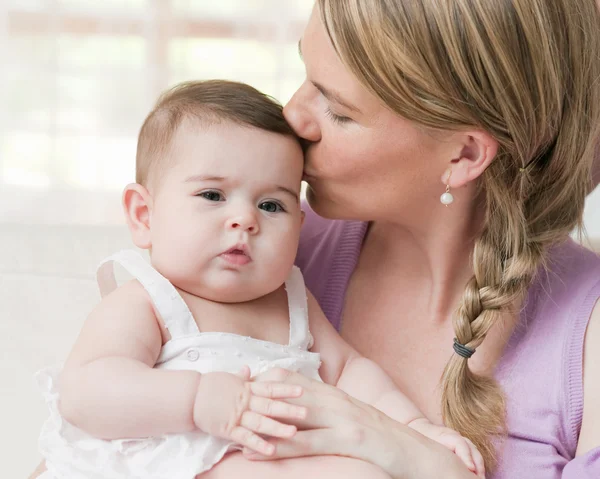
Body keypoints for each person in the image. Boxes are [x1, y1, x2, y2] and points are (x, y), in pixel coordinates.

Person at [30, 0, 600, 478]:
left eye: (339, 110)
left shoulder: (585, 334)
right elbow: (78, 438)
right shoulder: (248, 250)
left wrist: (411, 452)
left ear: (464, 155)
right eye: (304, 73)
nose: (293, 117)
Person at [34, 79, 484, 479]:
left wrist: (414, 428)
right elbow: (85, 392)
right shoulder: (149, 300)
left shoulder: (291, 297)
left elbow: (350, 370)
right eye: (212, 195)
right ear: (144, 215)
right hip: (176, 455)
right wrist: (197, 400)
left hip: (269, 456)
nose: (245, 220)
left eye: (272, 205)